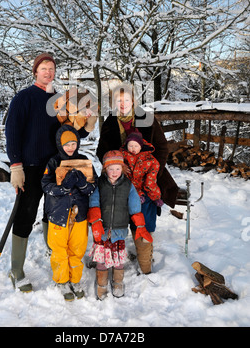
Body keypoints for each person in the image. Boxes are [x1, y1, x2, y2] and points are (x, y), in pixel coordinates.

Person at [5, 53, 96, 292]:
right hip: (32, 168)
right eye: (43, 68)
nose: (48, 72)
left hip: (58, 167)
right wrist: (16, 166)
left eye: (51, 68)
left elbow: (70, 135)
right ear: (36, 71)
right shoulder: (24, 98)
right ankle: (16, 269)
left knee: (53, 211)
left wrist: (86, 124)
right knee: (26, 215)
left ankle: (53, 249)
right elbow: (12, 133)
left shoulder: (59, 101)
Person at [96, 83, 179, 209]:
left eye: (127, 100)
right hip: (120, 175)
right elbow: (102, 151)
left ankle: (144, 227)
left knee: (147, 207)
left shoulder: (147, 119)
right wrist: (118, 165)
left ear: (133, 101)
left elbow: (162, 148)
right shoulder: (110, 122)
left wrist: (153, 171)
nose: (123, 104)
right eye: (119, 100)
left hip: (148, 174)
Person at [41, 125, 97, 301]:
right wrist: (63, 188)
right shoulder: (53, 162)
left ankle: (75, 279)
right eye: (67, 144)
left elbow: (92, 187)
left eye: (74, 143)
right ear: (60, 145)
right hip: (58, 215)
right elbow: (45, 184)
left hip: (79, 215)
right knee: (59, 249)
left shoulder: (84, 160)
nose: (71, 147)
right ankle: (62, 280)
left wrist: (82, 185)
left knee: (77, 249)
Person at [87, 150, 152, 299]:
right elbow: (94, 201)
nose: (114, 172)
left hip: (119, 229)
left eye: (118, 168)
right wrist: (96, 220)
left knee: (118, 259)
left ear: (122, 168)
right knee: (102, 259)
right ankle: (102, 283)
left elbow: (135, 204)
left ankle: (117, 282)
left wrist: (140, 224)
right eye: (111, 169)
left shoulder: (128, 185)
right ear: (105, 169)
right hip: (102, 229)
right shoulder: (100, 184)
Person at [121, 131, 162, 274]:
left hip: (145, 195)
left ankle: (145, 264)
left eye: (135, 145)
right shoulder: (122, 159)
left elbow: (151, 182)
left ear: (141, 146)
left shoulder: (150, 161)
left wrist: (156, 197)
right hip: (127, 193)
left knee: (144, 223)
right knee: (136, 222)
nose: (132, 148)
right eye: (130, 145)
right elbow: (122, 178)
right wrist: (136, 194)